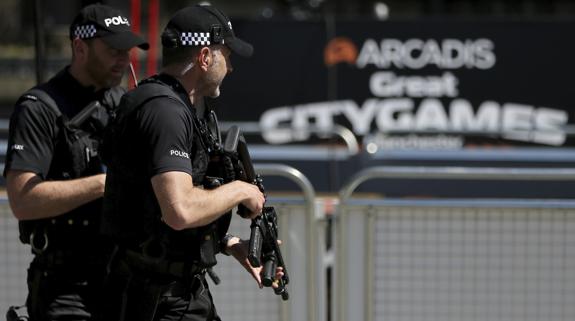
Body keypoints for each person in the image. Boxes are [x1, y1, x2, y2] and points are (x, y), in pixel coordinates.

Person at [99, 4, 283, 321]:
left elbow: (152, 208)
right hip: (158, 299)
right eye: (227, 55)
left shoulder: (181, 106)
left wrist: (227, 243)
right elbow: (179, 210)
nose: (232, 67)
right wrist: (240, 190)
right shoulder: (166, 112)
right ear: (204, 57)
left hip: (175, 290)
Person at [4, 4, 148, 321]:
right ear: (79, 47)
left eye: (128, 50)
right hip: (65, 286)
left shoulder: (123, 103)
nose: (124, 59)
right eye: (113, 49)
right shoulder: (39, 107)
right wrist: (105, 185)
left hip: (124, 279)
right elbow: (22, 200)